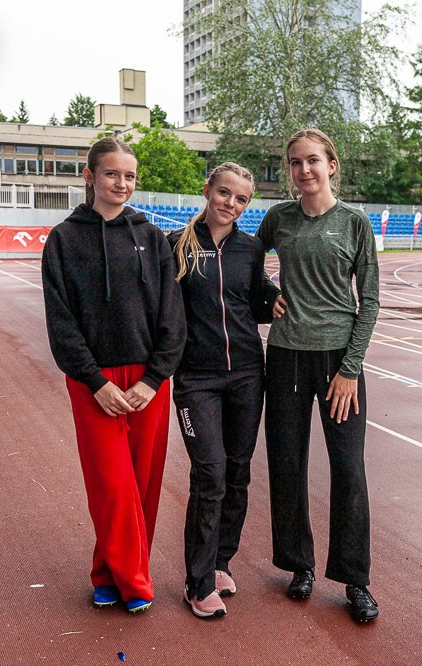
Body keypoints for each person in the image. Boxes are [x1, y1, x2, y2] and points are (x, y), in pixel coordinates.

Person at [41, 137, 185, 614]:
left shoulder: (152, 237)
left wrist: (154, 378)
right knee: (112, 484)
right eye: (111, 174)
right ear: (90, 176)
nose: (121, 183)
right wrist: (95, 382)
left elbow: (172, 315)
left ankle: (107, 574)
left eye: (129, 176)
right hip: (93, 381)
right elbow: (61, 321)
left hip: (147, 378)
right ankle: (136, 582)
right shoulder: (64, 239)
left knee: (142, 484)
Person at [256, 128, 381, 624]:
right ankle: (298, 564)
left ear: (331, 165)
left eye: (312, 160)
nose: (303, 170)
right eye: (295, 162)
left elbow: (369, 300)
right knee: (287, 464)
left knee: (348, 470)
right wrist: (269, 295)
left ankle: (355, 579)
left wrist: (350, 369)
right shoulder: (278, 218)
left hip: (338, 365)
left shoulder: (353, 222)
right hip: (285, 356)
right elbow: (246, 264)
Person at [167, 163, 279, 619]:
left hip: (248, 374)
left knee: (237, 472)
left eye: (241, 199)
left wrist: (274, 299)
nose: (231, 204)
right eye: (224, 193)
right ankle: (197, 583)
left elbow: (255, 297)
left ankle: (220, 562)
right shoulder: (176, 244)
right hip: (196, 380)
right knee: (209, 474)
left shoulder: (250, 249)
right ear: (207, 190)